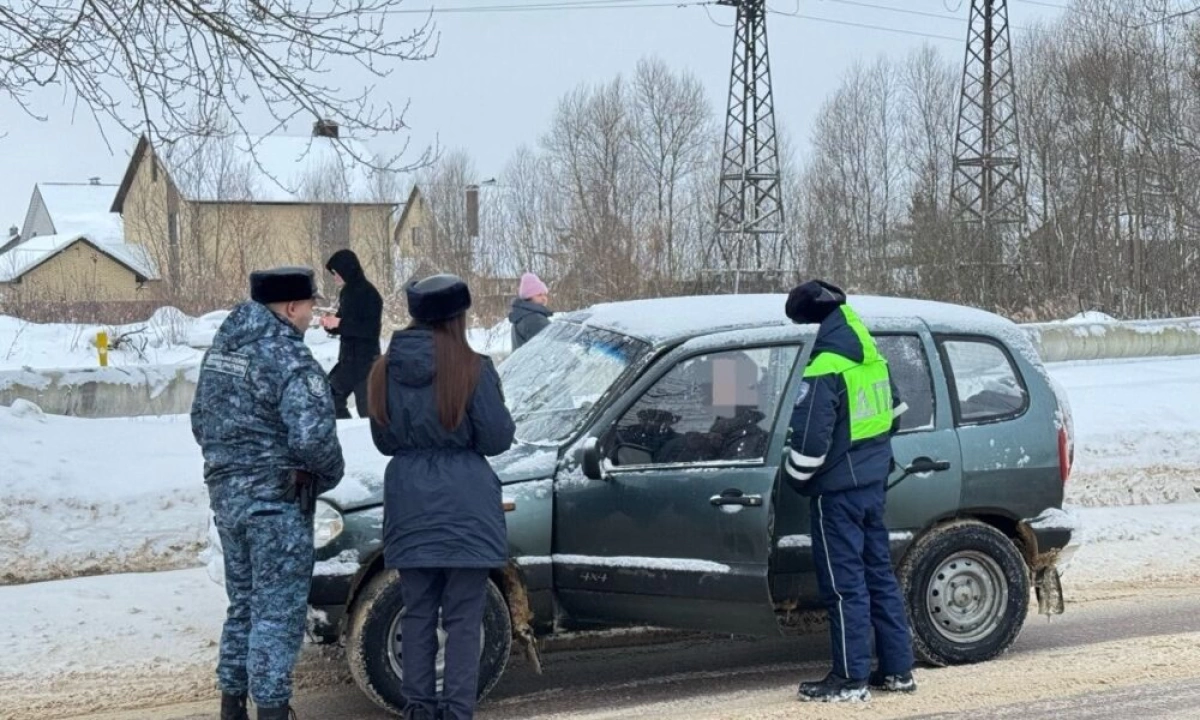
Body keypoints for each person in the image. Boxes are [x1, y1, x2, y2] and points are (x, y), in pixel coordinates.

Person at [191, 267, 346, 720]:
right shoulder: (290, 360)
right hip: (276, 504)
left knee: (243, 606)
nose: (311, 317)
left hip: (227, 497)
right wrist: (327, 476)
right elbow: (315, 439)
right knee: (277, 613)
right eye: (310, 308)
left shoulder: (220, 352)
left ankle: (232, 706)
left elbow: (200, 422)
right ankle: (274, 710)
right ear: (293, 307)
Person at [366, 274, 516, 720]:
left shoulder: (381, 369)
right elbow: (497, 438)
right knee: (464, 619)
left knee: (417, 613)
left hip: (409, 499)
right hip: (467, 503)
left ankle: (418, 710)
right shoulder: (473, 368)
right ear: (457, 316)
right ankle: (456, 713)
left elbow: (384, 441)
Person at [782, 280, 915, 704]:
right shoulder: (871, 356)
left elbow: (808, 444)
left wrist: (795, 478)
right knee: (878, 577)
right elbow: (894, 415)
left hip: (837, 493)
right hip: (873, 485)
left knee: (843, 586)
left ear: (812, 323)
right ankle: (897, 671)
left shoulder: (825, 367)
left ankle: (849, 680)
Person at [322, 249, 383, 419]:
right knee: (329, 396)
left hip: (366, 363)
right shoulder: (346, 293)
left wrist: (340, 323)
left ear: (346, 270)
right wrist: (330, 325)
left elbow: (371, 330)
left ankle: (369, 441)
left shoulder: (370, 294)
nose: (334, 277)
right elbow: (344, 324)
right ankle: (345, 429)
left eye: (336, 273)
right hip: (347, 361)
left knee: (368, 412)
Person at [508, 272, 553, 350]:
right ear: (528, 297)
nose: (544, 298)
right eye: (539, 295)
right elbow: (551, 349)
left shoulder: (520, 316)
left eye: (544, 294)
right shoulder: (535, 320)